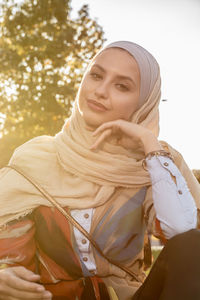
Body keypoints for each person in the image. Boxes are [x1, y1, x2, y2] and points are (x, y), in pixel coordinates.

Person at [0, 41, 200, 300]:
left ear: (144, 103)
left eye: (122, 86)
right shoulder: (36, 158)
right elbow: (10, 257)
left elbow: (185, 238)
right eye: (96, 75)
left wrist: (149, 145)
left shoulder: (158, 163)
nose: (101, 91)